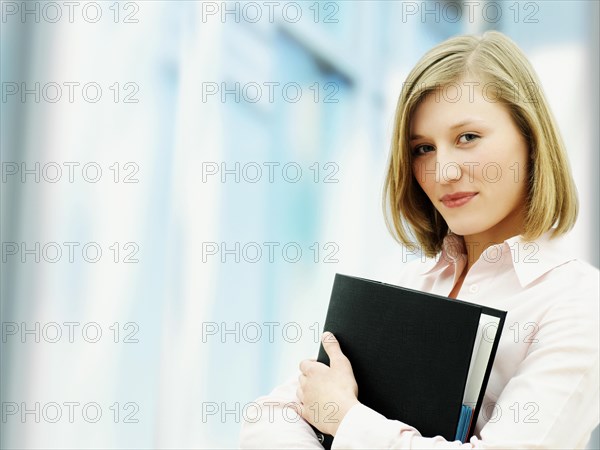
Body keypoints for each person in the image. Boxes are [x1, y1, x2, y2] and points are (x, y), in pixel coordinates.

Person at [239, 30, 599, 448]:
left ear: (530, 139)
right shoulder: (411, 283)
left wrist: (347, 419)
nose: (444, 172)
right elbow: (269, 417)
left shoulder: (580, 304)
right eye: (423, 148)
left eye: (468, 138)